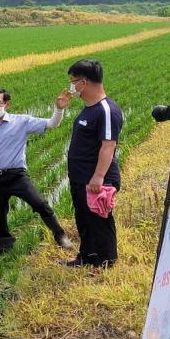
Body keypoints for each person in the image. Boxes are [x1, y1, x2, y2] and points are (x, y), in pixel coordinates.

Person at [0, 87, 74, 253]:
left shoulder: (21, 121)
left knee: (40, 204)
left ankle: (60, 235)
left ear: (7, 104)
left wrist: (59, 109)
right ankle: (5, 244)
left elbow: (52, 124)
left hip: (16, 176)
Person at [63, 59, 122, 268]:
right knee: (84, 219)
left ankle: (106, 262)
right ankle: (87, 256)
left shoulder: (105, 109)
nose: (72, 86)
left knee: (100, 221)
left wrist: (98, 176)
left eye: (73, 81)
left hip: (97, 178)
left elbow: (109, 145)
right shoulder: (89, 108)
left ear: (84, 82)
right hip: (81, 177)